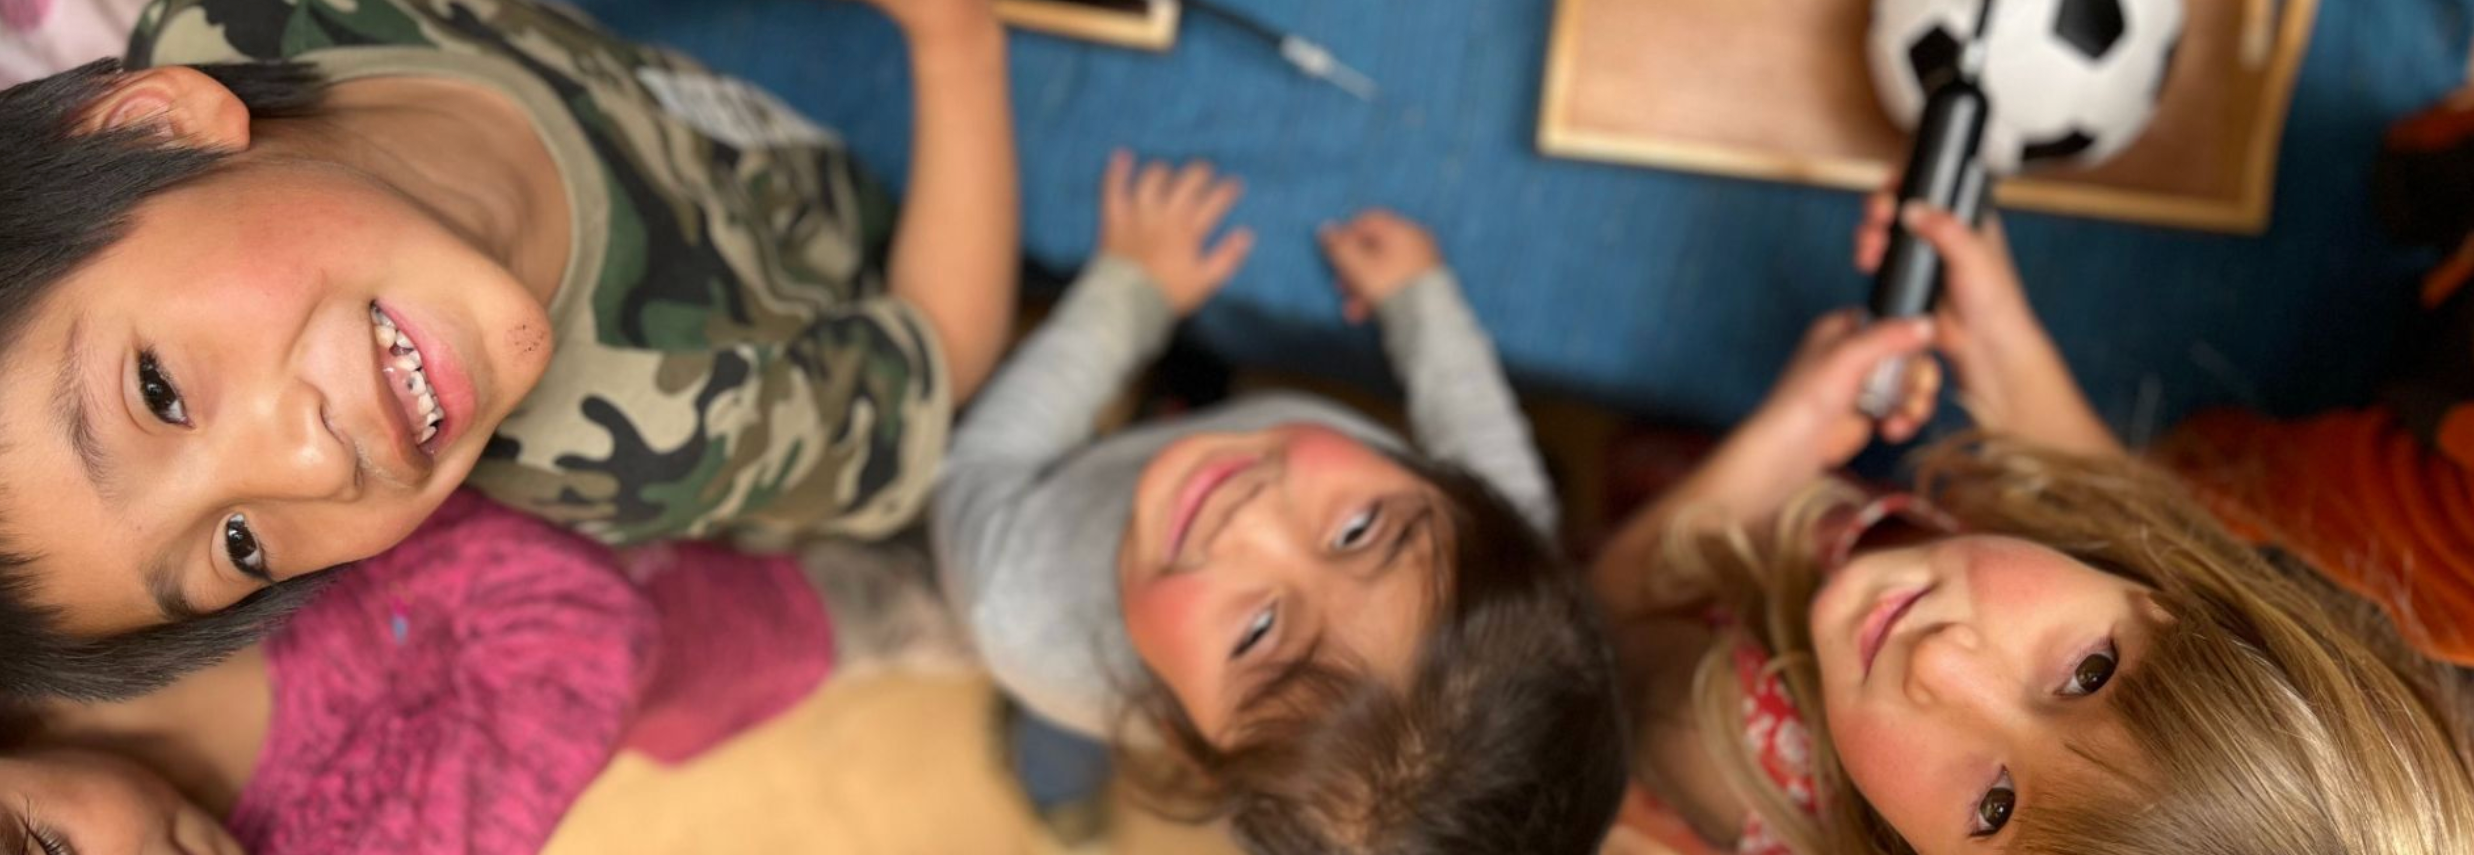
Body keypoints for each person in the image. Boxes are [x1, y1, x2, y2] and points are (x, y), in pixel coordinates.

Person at [0, 0, 1015, 700]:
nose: (311, 469)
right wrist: (955, 41)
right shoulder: (653, 442)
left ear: (150, 128)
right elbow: (940, 352)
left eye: (159, 391)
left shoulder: (253, 19)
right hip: (928, 204)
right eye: (239, 546)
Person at [1591, 195, 2474, 855]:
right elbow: (2107, 492)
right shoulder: (2157, 563)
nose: (1943, 664)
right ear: (2175, 593)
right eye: (2088, 672)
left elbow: (1605, 614)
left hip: (1683, 551)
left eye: (1994, 809)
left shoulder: (1730, 747)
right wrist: (1996, 335)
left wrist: (1788, 436)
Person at [933, 151, 1627, 854]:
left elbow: (983, 462)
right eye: (1358, 529)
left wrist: (1128, 297)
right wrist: (1420, 302)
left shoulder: (1011, 603)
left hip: (1060, 630)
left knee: (1059, 730)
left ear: (1192, 746)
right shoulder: (1505, 564)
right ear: (1458, 488)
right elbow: (1488, 443)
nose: (1252, 518)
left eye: (1257, 633)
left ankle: (1053, 786)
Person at [0, 488, 846, 855]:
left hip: (630, 425)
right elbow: (590, 637)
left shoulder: (63, 602)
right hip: (714, 620)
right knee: (851, 607)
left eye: (52, 848)